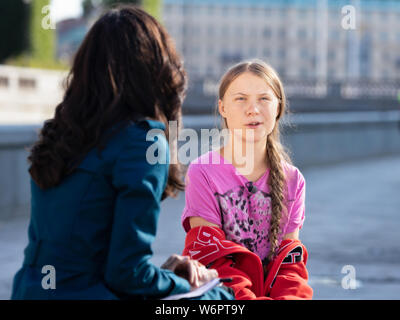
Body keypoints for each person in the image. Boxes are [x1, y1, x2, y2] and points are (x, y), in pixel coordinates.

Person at [11, 5, 233, 300]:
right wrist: (190, 287)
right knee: (222, 299)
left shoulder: (61, 135)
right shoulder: (141, 142)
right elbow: (127, 274)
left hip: (29, 291)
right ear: (156, 70)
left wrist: (166, 274)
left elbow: (89, 260)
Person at [181, 60, 312, 298]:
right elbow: (211, 258)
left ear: (278, 108)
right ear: (222, 108)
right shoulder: (202, 172)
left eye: (264, 99)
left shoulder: (293, 180)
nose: (253, 109)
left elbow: (290, 265)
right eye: (240, 99)